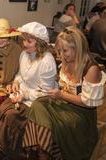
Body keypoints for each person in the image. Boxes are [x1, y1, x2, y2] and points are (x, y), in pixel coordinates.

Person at [23, 26, 106, 160]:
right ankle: (42, 151)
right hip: (62, 104)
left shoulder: (91, 69)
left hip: (80, 113)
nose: (61, 55)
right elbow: (62, 85)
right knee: (38, 104)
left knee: (44, 118)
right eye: (59, 50)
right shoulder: (66, 61)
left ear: (77, 48)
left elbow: (89, 103)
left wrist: (61, 94)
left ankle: (42, 152)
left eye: (65, 50)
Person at [0, 22, 58, 160]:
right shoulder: (24, 54)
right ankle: (4, 149)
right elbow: (20, 75)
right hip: (22, 96)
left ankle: (16, 153)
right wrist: (15, 82)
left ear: (39, 42)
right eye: (23, 40)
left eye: (29, 41)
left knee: (12, 116)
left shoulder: (47, 61)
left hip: (39, 103)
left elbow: (46, 92)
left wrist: (25, 95)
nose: (24, 44)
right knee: (3, 108)